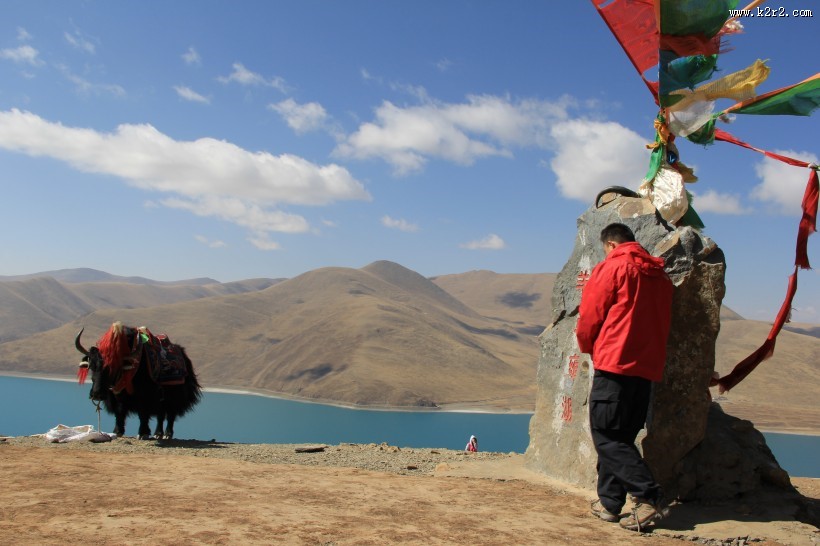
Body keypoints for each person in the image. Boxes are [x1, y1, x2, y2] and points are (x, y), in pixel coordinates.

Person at [575, 222, 674, 532]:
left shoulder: (614, 267)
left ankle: (650, 497)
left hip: (615, 365)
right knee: (621, 436)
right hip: (645, 370)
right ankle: (609, 502)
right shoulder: (660, 276)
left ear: (610, 245)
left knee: (606, 435)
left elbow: (590, 314)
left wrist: (589, 346)